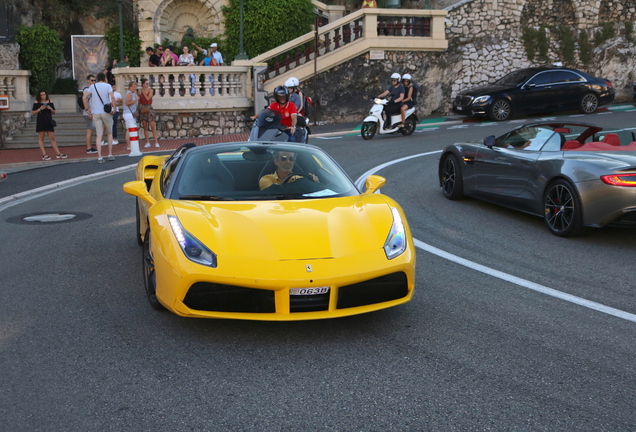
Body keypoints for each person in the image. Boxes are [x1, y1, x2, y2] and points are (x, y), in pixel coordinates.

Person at [83, 72, 116, 163]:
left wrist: (87, 109)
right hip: (106, 112)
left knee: (99, 134)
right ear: (105, 78)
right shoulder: (107, 86)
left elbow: (84, 97)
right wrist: (114, 108)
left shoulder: (92, 86)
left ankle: (100, 157)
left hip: (96, 113)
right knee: (109, 133)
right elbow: (112, 97)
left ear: (97, 79)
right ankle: (110, 154)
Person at [32, 90, 66, 161]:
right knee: (41, 137)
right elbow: (33, 112)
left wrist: (50, 108)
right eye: (41, 95)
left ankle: (58, 153)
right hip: (41, 121)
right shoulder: (36, 102)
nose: (43, 96)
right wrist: (39, 109)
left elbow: (54, 112)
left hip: (49, 121)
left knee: (52, 138)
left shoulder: (50, 101)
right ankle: (44, 154)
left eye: (44, 95)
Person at [139, 78, 159, 148]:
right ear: (143, 84)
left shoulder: (150, 90)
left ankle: (156, 142)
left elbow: (148, 98)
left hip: (149, 107)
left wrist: (143, 92)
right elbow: (139, 100)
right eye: (147, 83)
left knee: (152, 126)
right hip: (143, 107)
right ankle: (147, 142)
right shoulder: (140, 91)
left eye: (148, 83)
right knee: (145, 126)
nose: (148, 85)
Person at [82, 74, 98, 154]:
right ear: (88, 80)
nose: (93, 82)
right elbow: (85, 100)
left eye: (94, 80)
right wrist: (88, 111)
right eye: (92, 80)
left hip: (92, 112)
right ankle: (88, 147)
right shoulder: (87, 90)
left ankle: (90, 147)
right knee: (90, 130)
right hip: (88, 113)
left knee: (91, 130)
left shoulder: (92, 89)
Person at [123, 81, 139, 151]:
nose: (134, 88)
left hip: (130, 113)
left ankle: (131, 144)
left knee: (130, 129)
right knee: (129, 129)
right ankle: (129, 145)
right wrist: (135, 100)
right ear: (130, 86)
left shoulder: (131, 93)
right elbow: (127, 103)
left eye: (135, 87)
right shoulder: (129, 93)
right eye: (133, 87)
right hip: (128, 113)